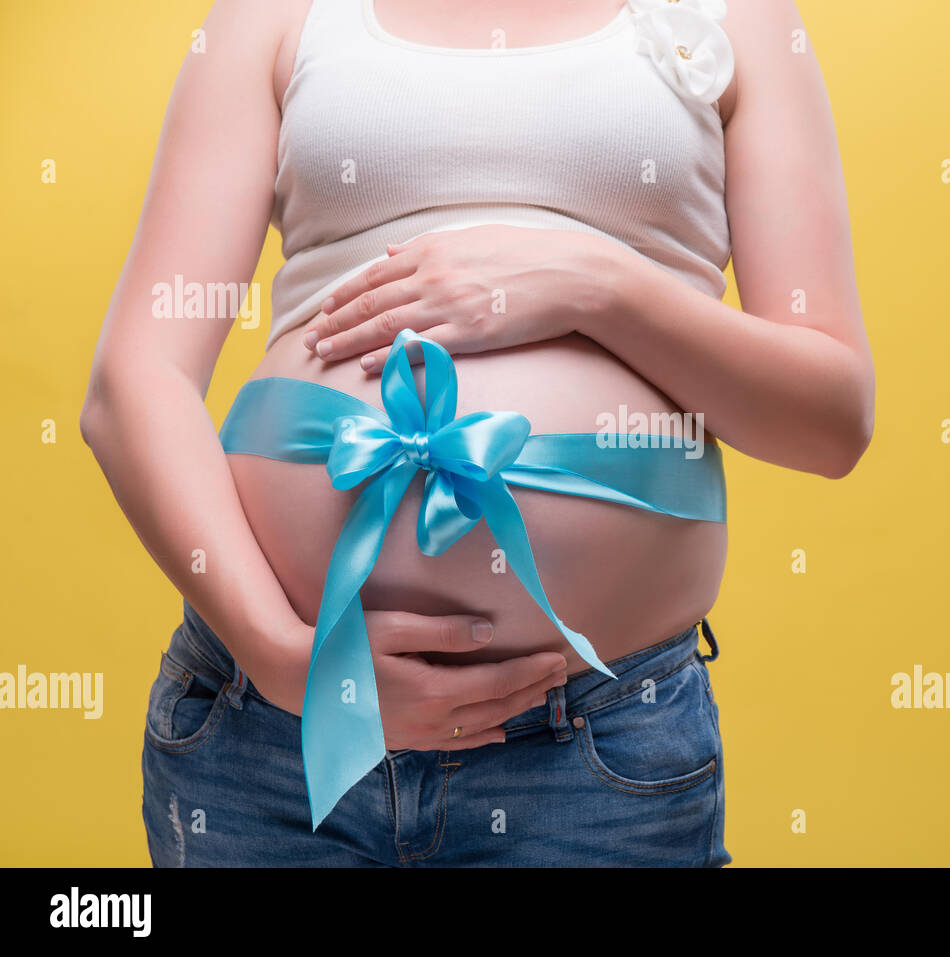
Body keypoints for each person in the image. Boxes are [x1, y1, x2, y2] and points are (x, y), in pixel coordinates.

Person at [80, 0, 874, 866]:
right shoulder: (275, 13)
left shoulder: (742, 18)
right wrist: (286, 660)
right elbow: (133, 383)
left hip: (592, 760)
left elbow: (830, 418)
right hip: (272, 733)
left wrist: (595, 281)